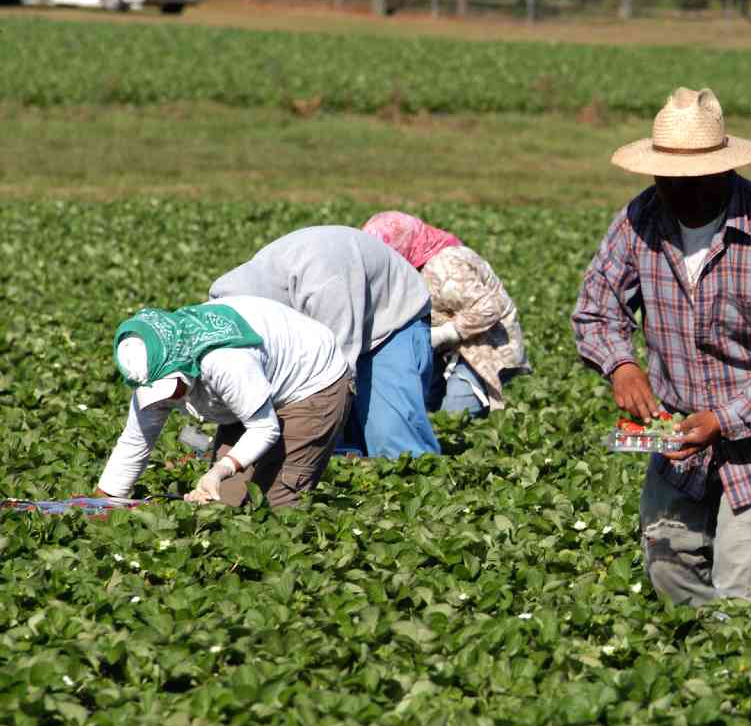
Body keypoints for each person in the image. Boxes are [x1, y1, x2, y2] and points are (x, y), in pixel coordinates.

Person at [572, 87, 751, 606]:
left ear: (723, 169)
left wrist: (725, 418)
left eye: (690, 178)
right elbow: (596, 307)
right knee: (669, 565)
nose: (675, 188)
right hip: (677, 429)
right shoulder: (639, 220)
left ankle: (740, 672)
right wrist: (620, 365)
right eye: (665, 176)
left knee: (746, 600)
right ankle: (697, 671)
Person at [96, 297, 352, 507]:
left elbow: (264, 428)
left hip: (310, 384)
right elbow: (136, 440)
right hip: (248, 392)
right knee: (224, 504)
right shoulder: (152, 368)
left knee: (275, 507)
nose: (168, 398)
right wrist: (101, 503)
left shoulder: (225, 362)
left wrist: (220, 470)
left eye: (171, 387)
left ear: (182, 363)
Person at [209, 225, 439, 458]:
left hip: (391, 318)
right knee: (333, 443)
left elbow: (338, 369)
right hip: (330, 311)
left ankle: (410, 479)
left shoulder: (325, 284)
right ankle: (348, 468)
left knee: (391, 437)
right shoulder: (230, 295)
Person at [362, 211, 530, 417]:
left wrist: (444, 334)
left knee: (455, 413)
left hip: (485, 347)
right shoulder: (417, 261)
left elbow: (488, 308)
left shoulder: (444, 265)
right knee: (428, 406)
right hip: (448, 349)